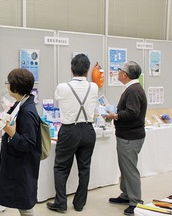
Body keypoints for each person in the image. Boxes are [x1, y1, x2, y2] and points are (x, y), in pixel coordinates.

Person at [47, 54, 98, 213]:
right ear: (88, 70)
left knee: (61, 167)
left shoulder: (63, 87)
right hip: (89, 130)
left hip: (69, 130)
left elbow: (59, 99)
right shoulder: (94, 87)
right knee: (85, 168)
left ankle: (61, 203)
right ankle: (79, 204)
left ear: (71, 69)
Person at [0, 68, 41, 216]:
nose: (6, 85)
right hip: (18, 165)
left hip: (23, 167)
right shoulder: (20, 104)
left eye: (8, 83)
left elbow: (28, 143)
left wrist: (11, 132)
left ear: (15, 87)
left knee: (25, 205)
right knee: (23, 203)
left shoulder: (27, 112)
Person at [106, 61, 147, 215]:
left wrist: (114, 115)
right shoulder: (132, 88)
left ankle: (136, 201)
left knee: (130, 169)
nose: (118, 72)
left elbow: (132, 113)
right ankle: (126, 195)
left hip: (130, 136)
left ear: (125, 74)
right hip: (127, 135)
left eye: (120, 70)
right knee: (125, 167)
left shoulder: (133, 90)